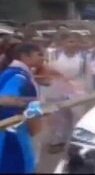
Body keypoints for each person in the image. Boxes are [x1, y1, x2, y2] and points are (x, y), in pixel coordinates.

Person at [41, 32, 92, 153]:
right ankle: (57, 141)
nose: (74, 45)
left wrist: (87, 91)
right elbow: (46, 71)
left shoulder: (84, 57)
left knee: (76, 116)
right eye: (70, 41)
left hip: (76, 88)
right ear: (63, 43)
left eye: (76, 42)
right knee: (57, 116)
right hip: (56, 88)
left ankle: (76, 142)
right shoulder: (53, 55)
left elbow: (87, 76)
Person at [0, 43, 44, 173]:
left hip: (11, 129)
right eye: (39, 54)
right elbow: (5, 99)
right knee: (20, 165)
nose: (43, 58)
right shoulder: (18, 76)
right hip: (13, 130)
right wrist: (35, 104)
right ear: (25, 56)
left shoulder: (13, 73)